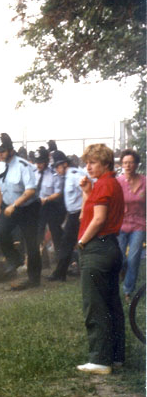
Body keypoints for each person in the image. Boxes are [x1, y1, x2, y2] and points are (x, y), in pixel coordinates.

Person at [76, 144, 125, 375]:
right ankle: (116, 357)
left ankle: (99, 360)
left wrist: (82, 243)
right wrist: (87, 191)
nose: (88, 166)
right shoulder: (108, 183)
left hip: (98, 248)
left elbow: (97, 220)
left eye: (93, 162)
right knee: (111, 304)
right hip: (111, 247)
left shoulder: (104, 184)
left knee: (95, 305)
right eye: (87, 162)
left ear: (105, 163)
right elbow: (88, 213)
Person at [0, 133, 41, 290]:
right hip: (9, 206)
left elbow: (31, 190)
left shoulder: (23, 166)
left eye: (3, 151)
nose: (0, 154)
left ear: (11, 149)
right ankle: (15, 259)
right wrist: (1, 206)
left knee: (31, 244)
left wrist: (14, 205)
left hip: (28, 208)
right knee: (1, 232)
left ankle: (34, 278)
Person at [47, 151, 84, 282]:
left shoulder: (74, 175)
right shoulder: (67, 176)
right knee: (67, 244)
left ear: (65, 164)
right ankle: (60, 273)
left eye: (58, 166)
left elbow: (86, 193)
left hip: (80, 214)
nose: (56, 170)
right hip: (73, 214)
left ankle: (60, 273)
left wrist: (84, 212)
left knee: (68, 243)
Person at [117, 149, 145, 304]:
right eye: (125, 163)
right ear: (122, 164)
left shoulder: (145, 182)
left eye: (131, 162)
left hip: (139, 224)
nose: (128, 165)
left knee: (133, 259)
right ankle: (121, 274)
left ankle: (128, 290)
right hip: (121, 224)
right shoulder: (118, 182)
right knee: (119, 257)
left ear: (136, 164)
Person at [34, 145, 65, 267]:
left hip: (52, 206)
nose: (38, 165)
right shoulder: (33, 173)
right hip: (38, 207)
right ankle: (42, 261)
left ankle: (60, 262)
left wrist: (46, 199)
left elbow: (58, 193)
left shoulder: (54, 174)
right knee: (38, 233)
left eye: (41, 162)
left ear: (46, 161)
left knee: (56, 233)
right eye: (37, 162)